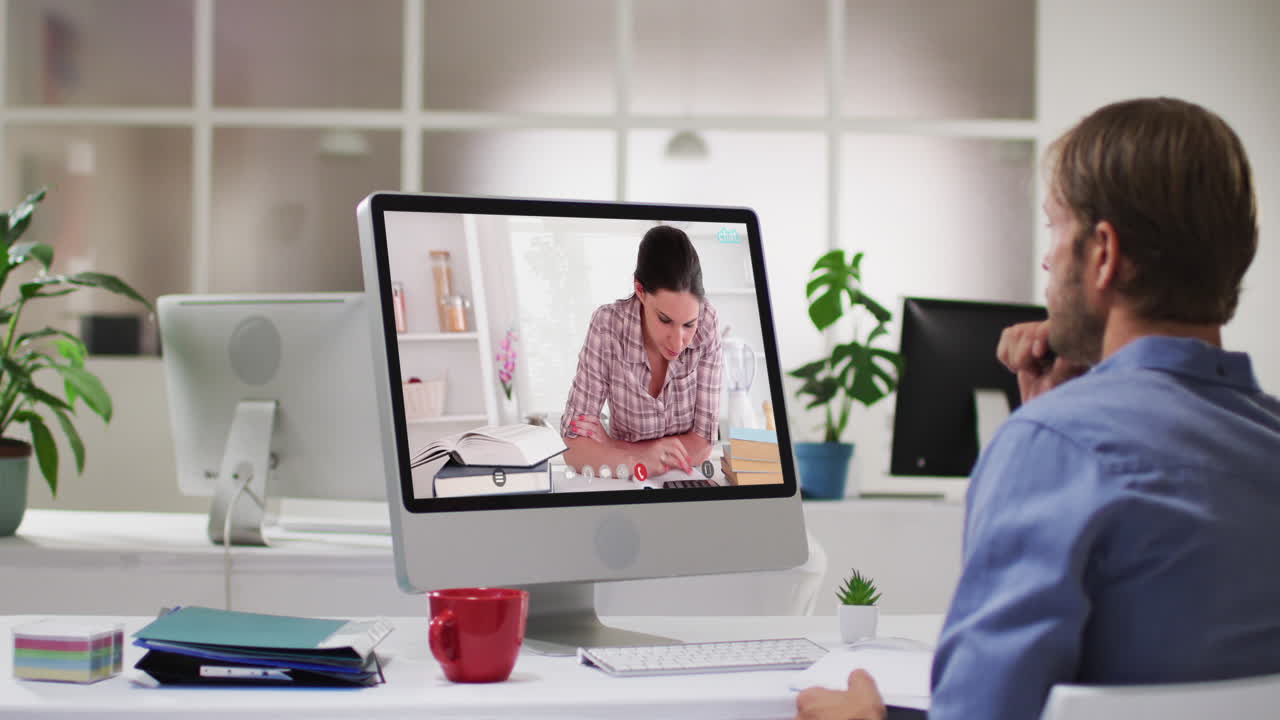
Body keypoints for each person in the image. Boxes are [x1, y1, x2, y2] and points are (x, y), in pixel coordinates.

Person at [796, 96, 1280, 720]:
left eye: (1056, 228)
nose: (1048, 259)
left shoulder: (1053, 446)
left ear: (1103, 253)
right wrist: (1052, 419)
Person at [560, 225, 722, 477]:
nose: (678, 343)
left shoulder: (708, 321)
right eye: (665, 320)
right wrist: (640, 463)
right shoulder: (608, 326)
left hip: (685, 480)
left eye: (688, 325)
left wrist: (617, 448)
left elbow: (703, 444)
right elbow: (573, 446)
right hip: (628, 484)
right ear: (640, 291)